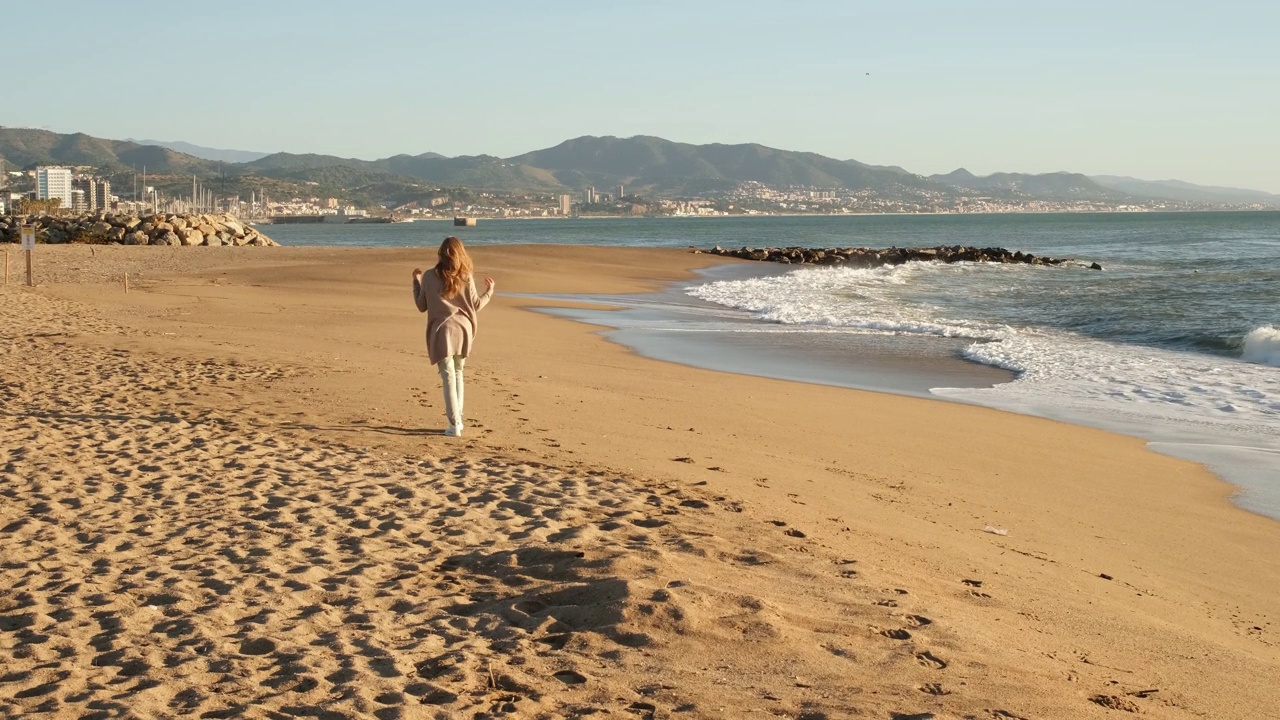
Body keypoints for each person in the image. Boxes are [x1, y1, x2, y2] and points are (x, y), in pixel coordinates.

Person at [412, 237, 495, 437]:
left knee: (449, 376)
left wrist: (416, 282)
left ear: (440, 254)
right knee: (458, 373)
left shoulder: (430, 277)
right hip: (464, 330)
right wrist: (490, 292)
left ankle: (454, 424)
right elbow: (476, 305)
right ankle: (458, 420)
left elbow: (421, 305)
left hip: (442, 331)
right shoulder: (466, 276)